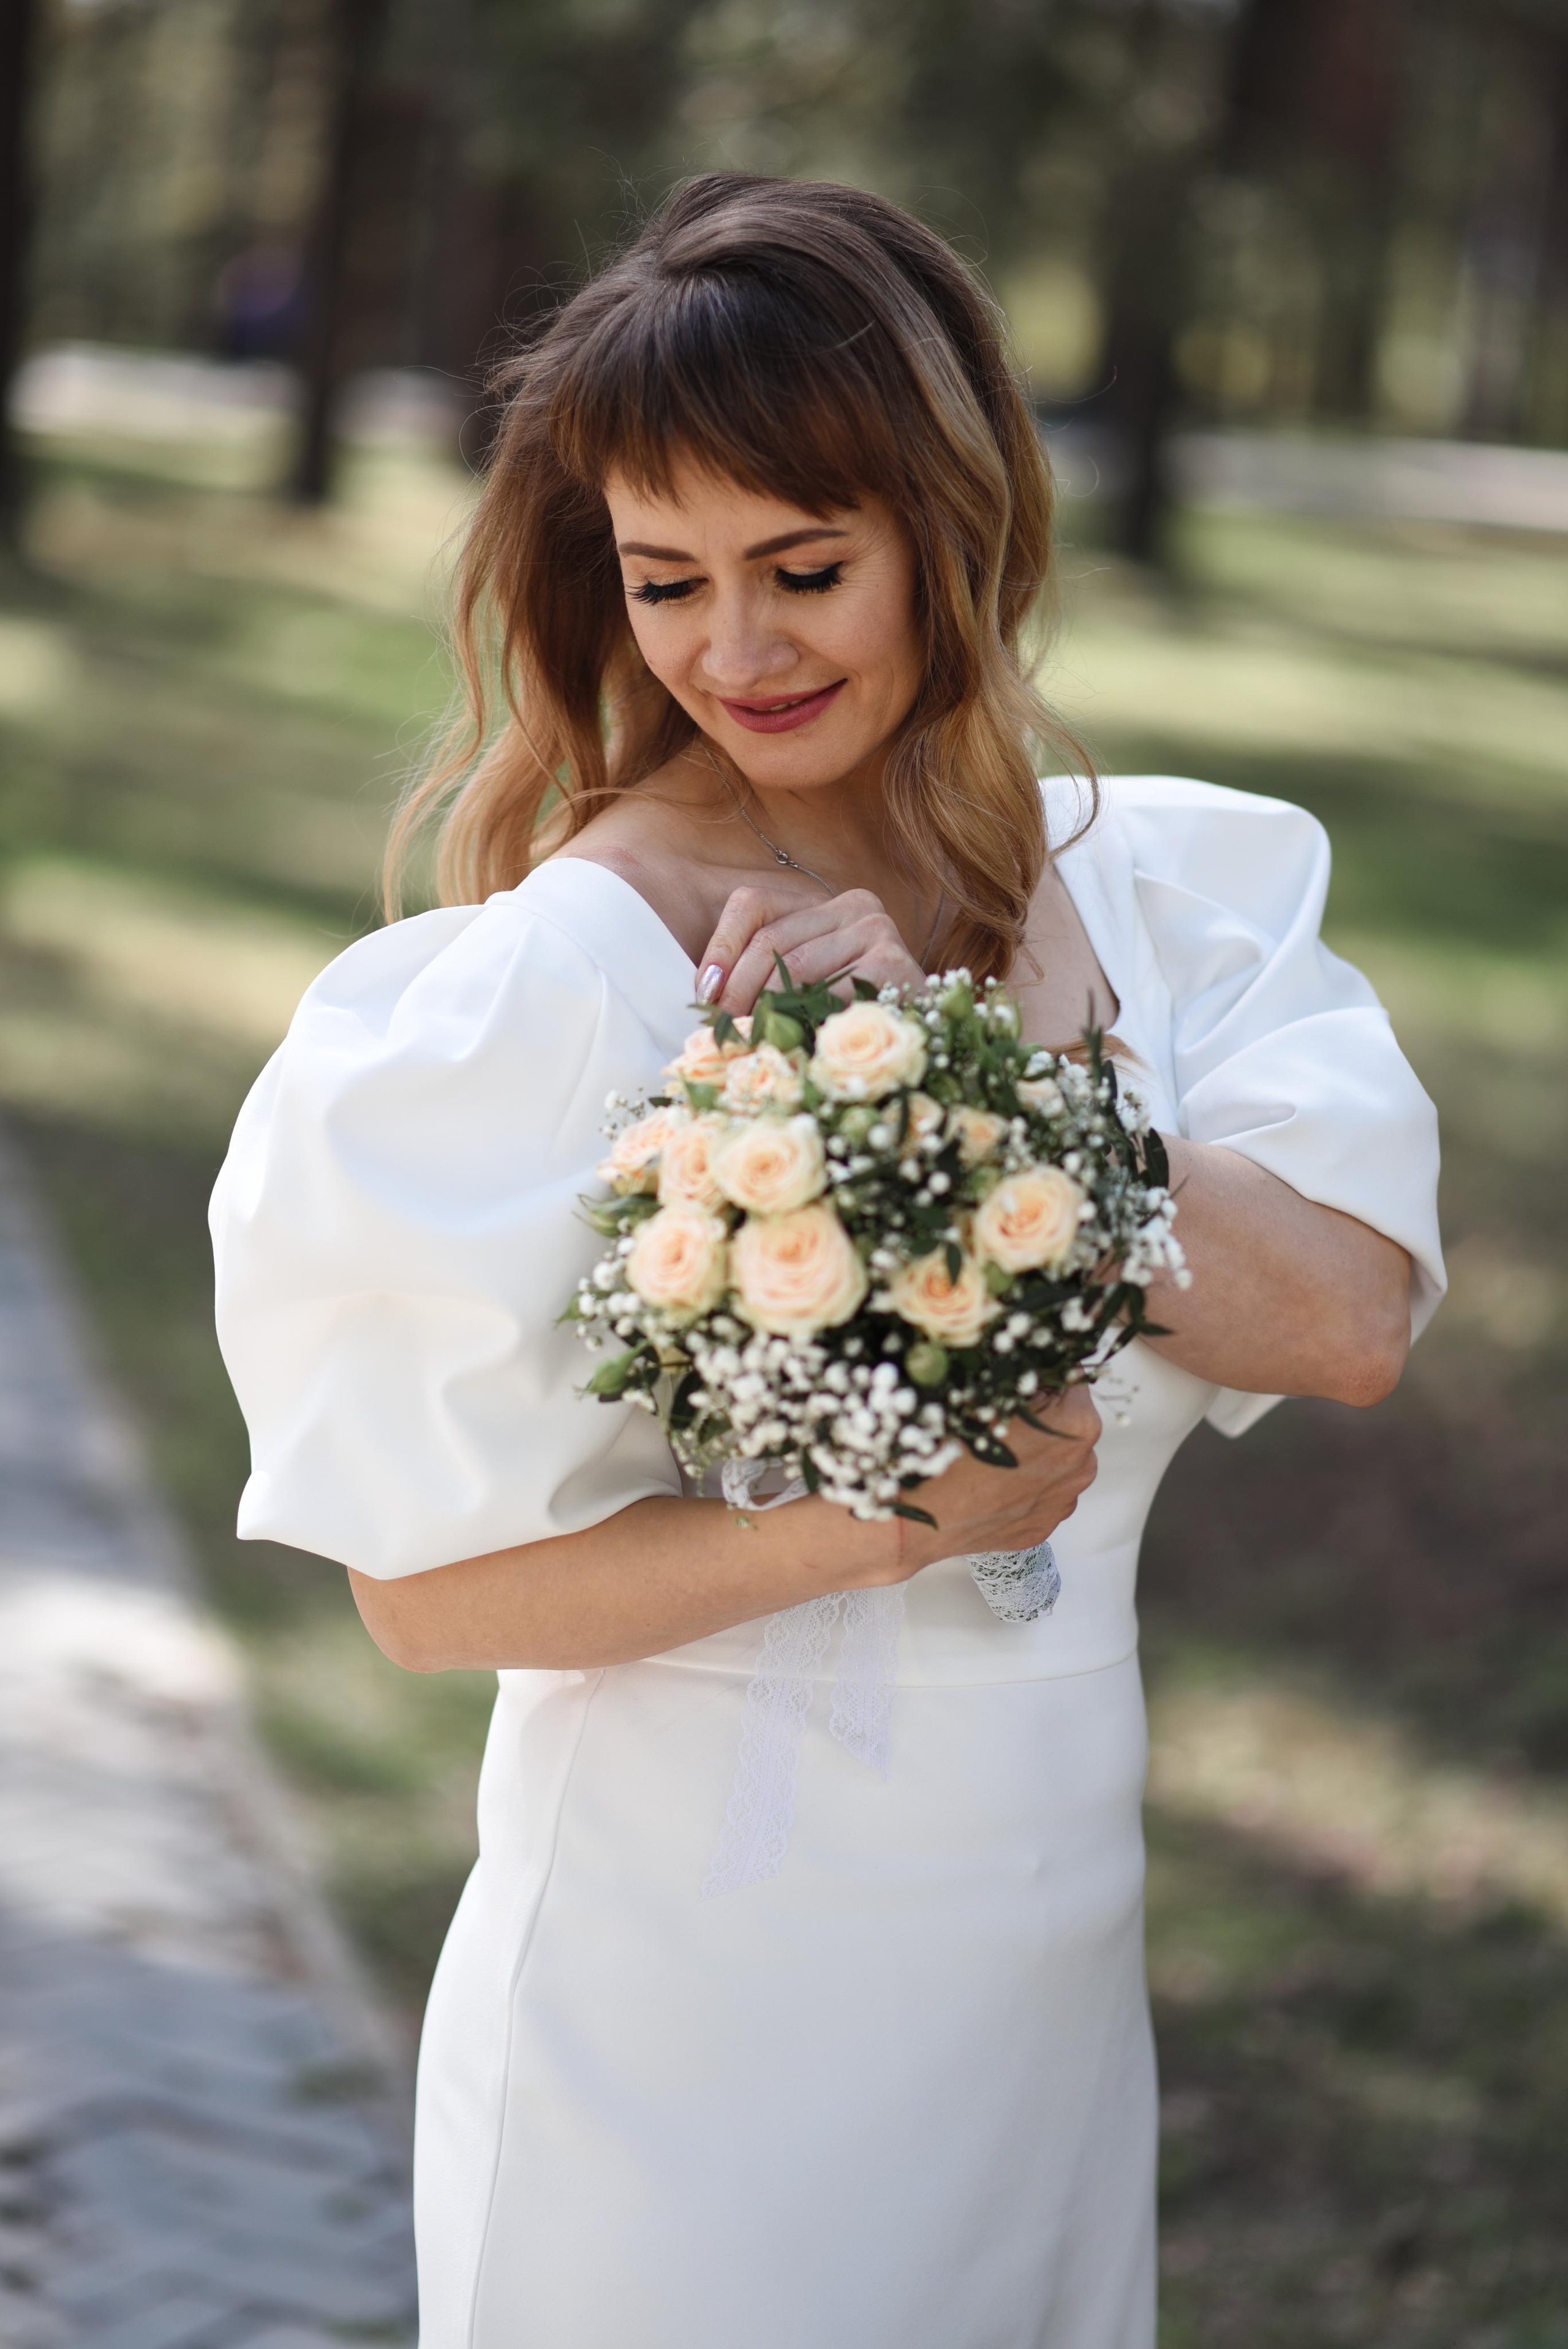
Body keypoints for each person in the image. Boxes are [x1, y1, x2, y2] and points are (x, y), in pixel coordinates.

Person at [210, 173, 1444, 2348]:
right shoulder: (566, 978)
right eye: (666, 580)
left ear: (956, 532)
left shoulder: (1159, 897)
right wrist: (874, 1534)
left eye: (804, 569)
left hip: (1041, 1961)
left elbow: (1345, 1320)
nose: (735, 652)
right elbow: (422, 1599)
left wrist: (980, 1083)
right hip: (688, 1986)